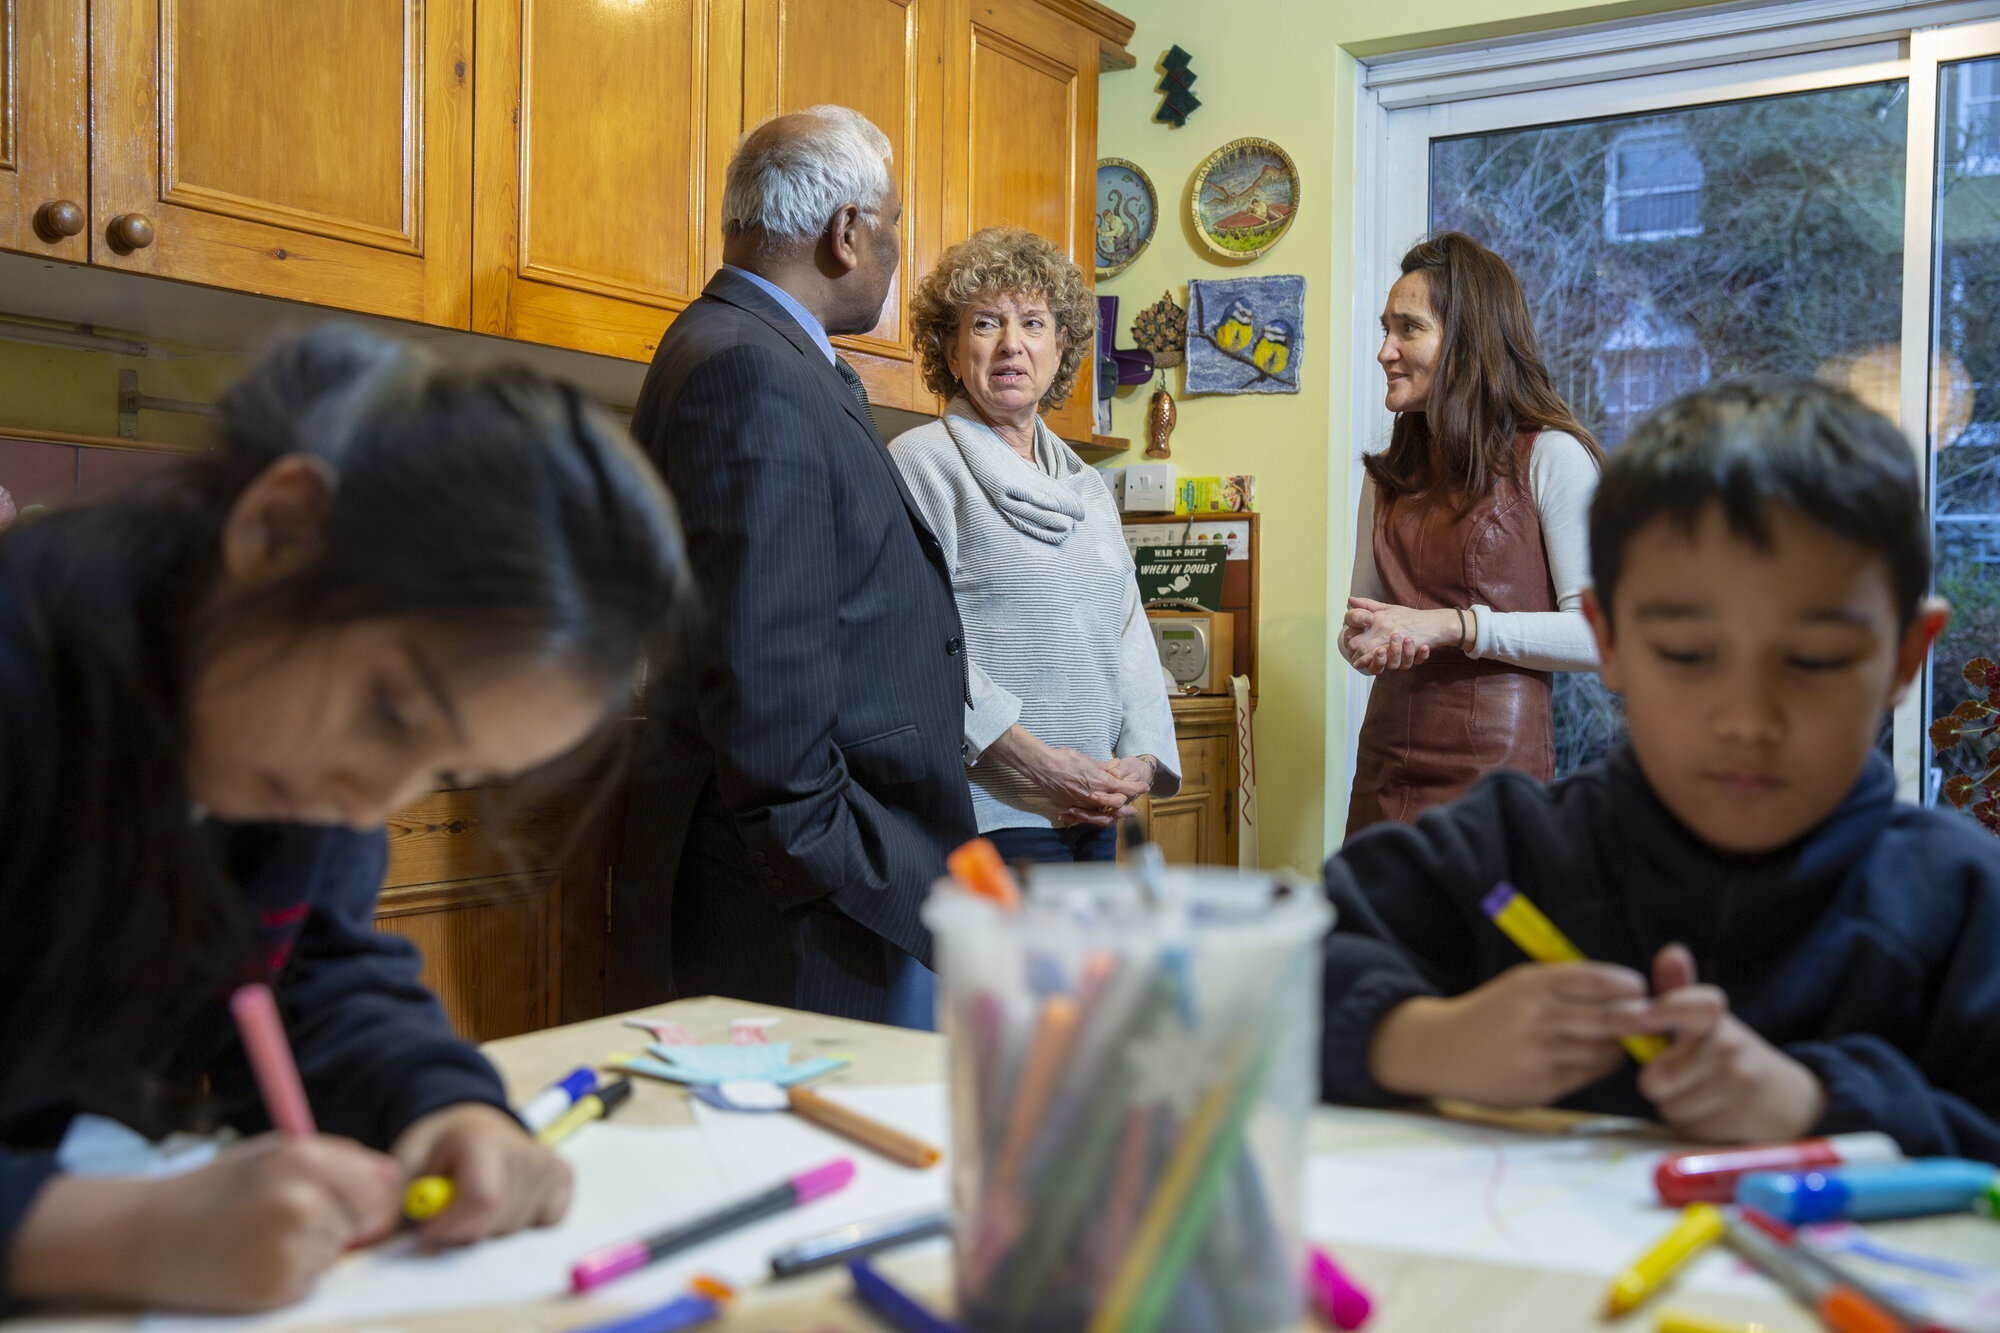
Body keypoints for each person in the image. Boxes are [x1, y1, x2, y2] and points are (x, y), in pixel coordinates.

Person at [0, 325, 690, 1312]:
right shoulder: (25, 683)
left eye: (446, 769)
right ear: (277, 528)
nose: (371, 802)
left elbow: (308, 973)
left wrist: (442, 1101)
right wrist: (117, 1233)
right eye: (393, 711)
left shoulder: (276, 746)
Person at [1319, 376, 2000, 1161]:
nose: (1746, 718)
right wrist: (1426, 1040)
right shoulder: (1510, 851)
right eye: (1685, 655)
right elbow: (1278, 979)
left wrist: (1820, 1103)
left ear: (1906, 656)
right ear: (1607, 641)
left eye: (1814, 660)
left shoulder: (1961, 902)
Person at [611, 106, 974, 1025]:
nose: (897, 252)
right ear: (847, 233)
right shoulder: (751, 370)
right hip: (800, 911)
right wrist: (869, 883)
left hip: (813, 882)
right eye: (891, 223)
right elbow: (767, 706)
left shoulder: (749, 350)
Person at [889, 227, 1179, 863]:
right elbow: (914, 644)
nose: (1012, 344)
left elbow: (1128, 631)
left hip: (1100, 804)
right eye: (987, 322)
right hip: (993, 810)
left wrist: (1142, 759)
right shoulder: (921, 464)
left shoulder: (1086, 483)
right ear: (950, 344)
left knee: (1095, 968)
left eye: (1034, 323)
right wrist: (1043, 766)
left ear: (1061, 346)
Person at [1342, 232, 1605, 837]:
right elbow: (1359, 626)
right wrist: (1363, 641)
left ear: (1469, 342)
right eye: (1386, 328)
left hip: (1497, 780)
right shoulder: (1386, 478)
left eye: (1409, 328)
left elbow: (1599, 634)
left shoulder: (1552, 455)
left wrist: (1451, 625)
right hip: (1384, 766)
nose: (1385, 351)